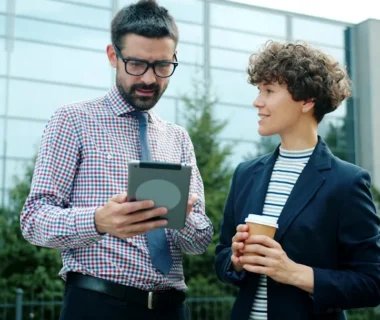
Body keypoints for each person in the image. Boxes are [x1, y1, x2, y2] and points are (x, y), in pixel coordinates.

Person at [20, 1, 213, 319]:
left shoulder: (178, 138)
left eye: (162, 66)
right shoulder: (73, 121)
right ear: (113, 56)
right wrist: (99, 221)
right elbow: (33, 220)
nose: (150, 79)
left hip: (172, 309)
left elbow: (199, 242)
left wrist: (184, 217)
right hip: (98, 305)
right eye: (137, 64)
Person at [214, 41, 380, 320]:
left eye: (269, 90)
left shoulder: (347, 182)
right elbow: (221, 257)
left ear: (307, 100)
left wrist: (295, 273)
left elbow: (373, 282)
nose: (257, 101)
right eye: (258, 90)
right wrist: (236, 259)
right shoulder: (245, 173)